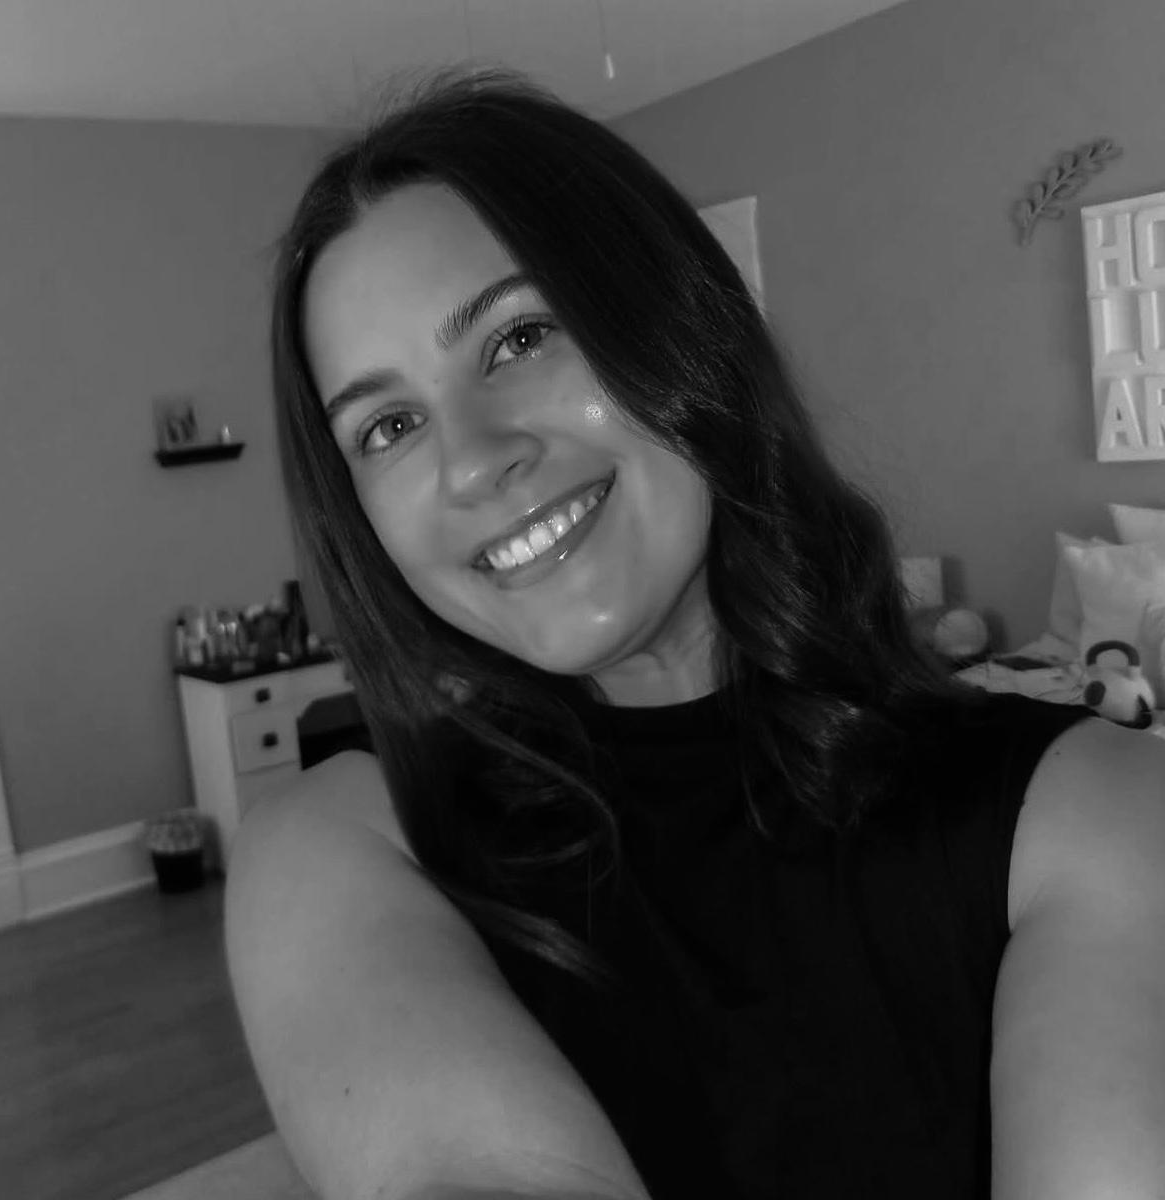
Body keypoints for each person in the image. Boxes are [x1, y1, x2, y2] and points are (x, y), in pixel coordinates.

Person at [225, 69, 1165, 1200]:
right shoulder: (341, 845)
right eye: (386, 425)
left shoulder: (1088, 811)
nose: (469, 462)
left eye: (520, 338)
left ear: (683, 325)